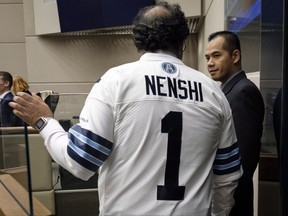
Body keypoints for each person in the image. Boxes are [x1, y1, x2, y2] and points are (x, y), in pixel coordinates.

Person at [10, 2, 242, 215]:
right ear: (182, 42)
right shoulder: (214, 93)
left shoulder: (115, 81)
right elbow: (227, 177)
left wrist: (44, 121)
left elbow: (80, 162)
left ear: (138, 41)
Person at [205, 30, 265, 216]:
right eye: (207, 57)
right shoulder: (228, 91)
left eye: (216, 55)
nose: (210, 63)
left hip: (234, 202)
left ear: (235, 56)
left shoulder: (242, 92)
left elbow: (242, 159)